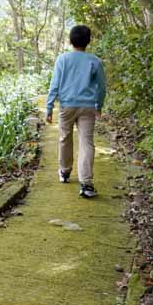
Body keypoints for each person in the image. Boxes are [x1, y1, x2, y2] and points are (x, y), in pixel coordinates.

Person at [45, 24, 106, 199]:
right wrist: (98, 106)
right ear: (88, 41)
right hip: (88, 107)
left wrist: (49, 107)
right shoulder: (95, 61)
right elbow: (101, 88)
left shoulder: (62, 60)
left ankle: (64, 171)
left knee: (64, 138)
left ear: (71, 40)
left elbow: (54, 85)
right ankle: (86, 183)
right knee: (87, 142)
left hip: (67, 106)